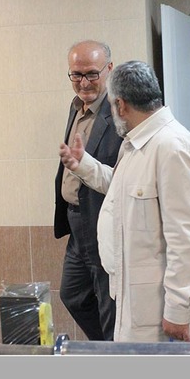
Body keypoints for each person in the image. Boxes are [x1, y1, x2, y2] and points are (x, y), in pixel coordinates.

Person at [59, 60, 190, 342]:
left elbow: (186, 239)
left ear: (120, 105)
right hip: (134, 296)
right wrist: (84, 166)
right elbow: (121, 189)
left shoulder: (172, 148)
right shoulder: (137, 143)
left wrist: (178, 309)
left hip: (158, 306)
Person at [53, 40, 122, 341]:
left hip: (102, 220)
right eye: (76, 75)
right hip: (75, 221)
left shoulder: (120, 113)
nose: (83, 83)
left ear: (109, 69)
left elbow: (123, 178)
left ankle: (112, 354)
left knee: (109, 304)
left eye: (92, 74)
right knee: (72, 295)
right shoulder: (75, 107)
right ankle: (104, 347)